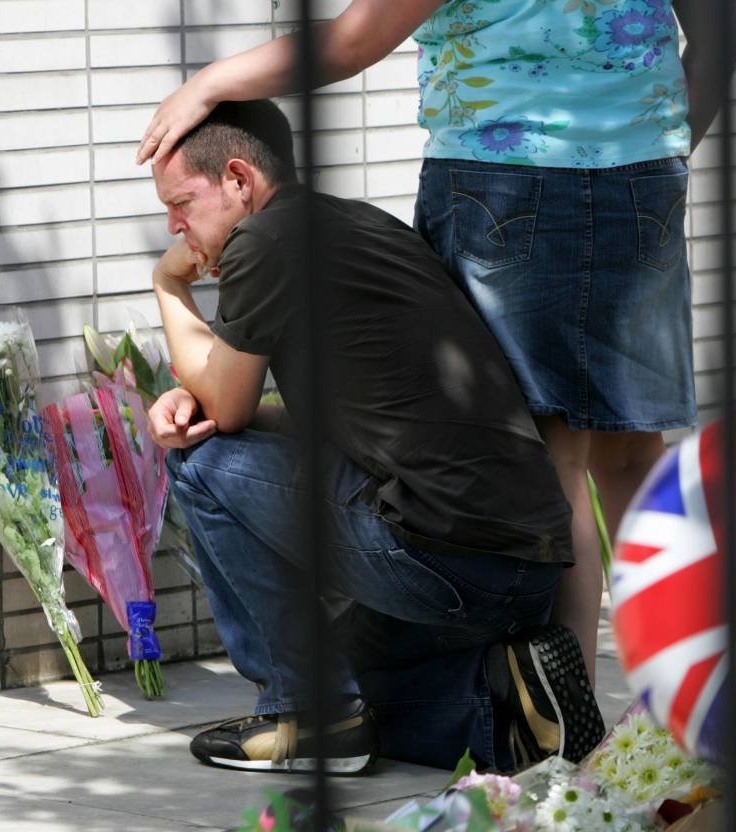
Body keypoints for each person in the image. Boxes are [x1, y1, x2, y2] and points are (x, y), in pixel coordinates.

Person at [137, 0, 736, 684]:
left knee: (550, 459)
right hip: (642, 175)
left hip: (508, 176)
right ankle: (689, 697)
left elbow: (353, 40)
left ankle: (565, 724)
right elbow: (724, 34)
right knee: (634, 456)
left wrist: (209, 83)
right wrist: (647, 152)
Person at [146, 98, 604, 774]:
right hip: (517, 568)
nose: (174, 226)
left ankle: (306, 714)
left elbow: (229, 410)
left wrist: (168, 286)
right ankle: (510, 711)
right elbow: (328, 418)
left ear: (239, 180)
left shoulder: (266, 240)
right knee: (357, 682)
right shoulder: (346, 226)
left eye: (182, 202)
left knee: (200, 461)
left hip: (441, 556)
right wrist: (211, 399)